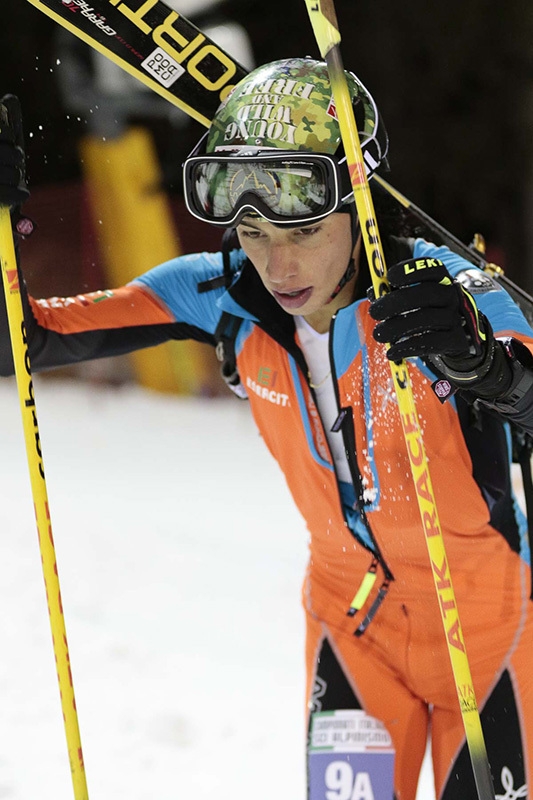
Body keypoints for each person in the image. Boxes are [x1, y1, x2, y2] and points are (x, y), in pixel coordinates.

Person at [0, 57, 532, 800]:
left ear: (358, 207)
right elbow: (26, 341)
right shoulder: (219, 294)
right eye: (252, 229)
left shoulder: (443, 293)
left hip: (489, 632)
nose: (279, 264)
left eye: (304, 229)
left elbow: (523, 378)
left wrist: (484, 367)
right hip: (353, 633)